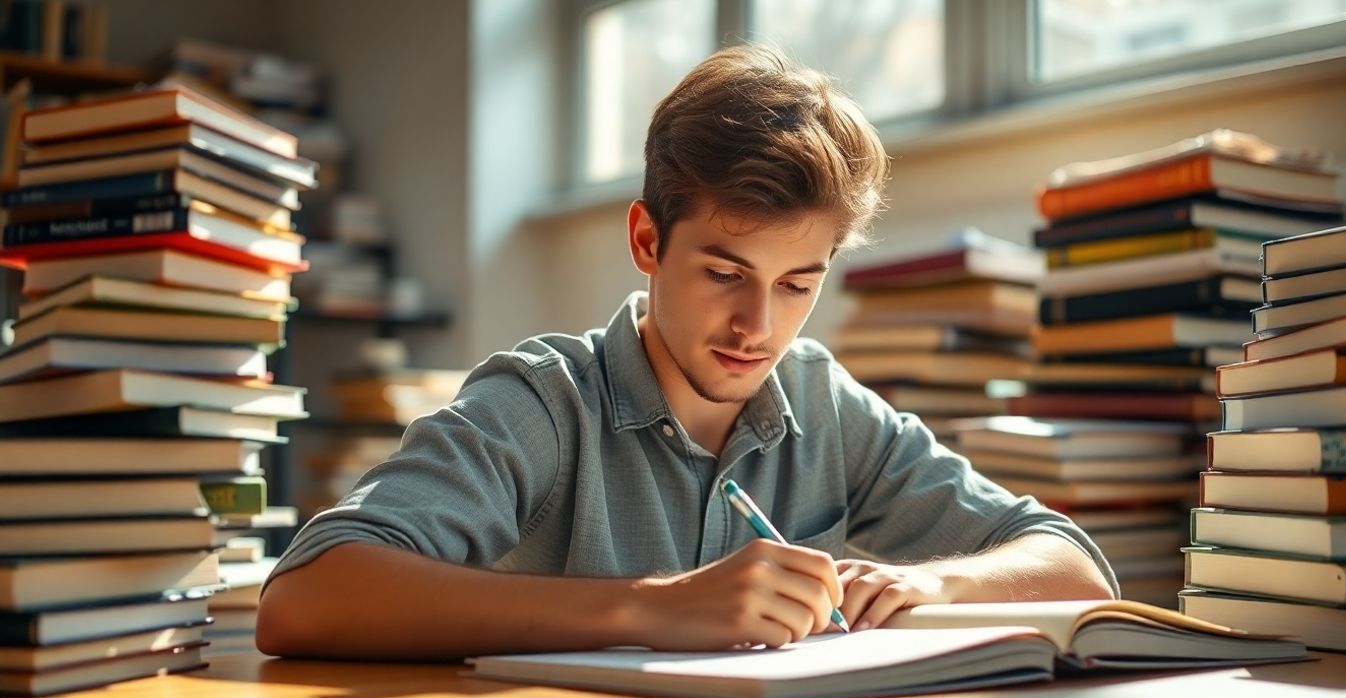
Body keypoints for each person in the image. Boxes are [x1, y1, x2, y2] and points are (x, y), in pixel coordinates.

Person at [256, 44, 1116, 661]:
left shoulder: (823, 403)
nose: (758, 327)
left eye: (796, 285)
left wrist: (936, 588)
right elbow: (305, 598)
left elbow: (1076, 566)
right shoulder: (545, 402)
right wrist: (650, 607)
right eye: (724, 271)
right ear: (646, 239)